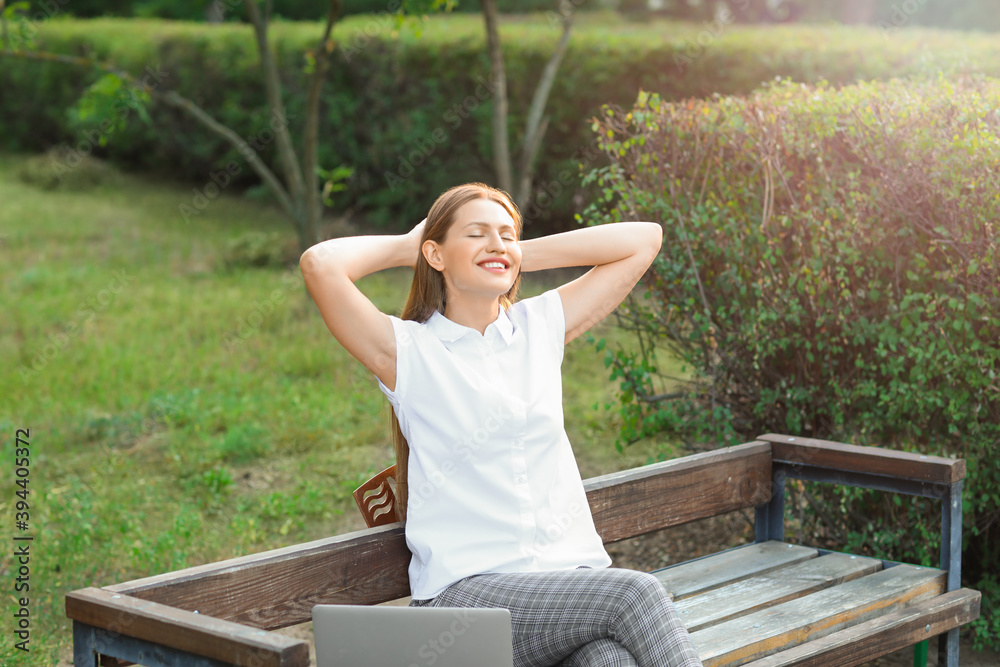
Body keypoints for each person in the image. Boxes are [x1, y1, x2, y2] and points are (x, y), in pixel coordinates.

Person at [300, 183, 701, 667]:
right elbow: (321, 265)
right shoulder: (408, 352)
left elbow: (644, 238)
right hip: (465, 603)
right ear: (435, 253)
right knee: (637, 594)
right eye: (476, 234)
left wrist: (505, 253)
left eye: (506, 233)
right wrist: (413, 248)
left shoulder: (539, 327)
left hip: (563, 589)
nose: (496, 242)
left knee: (608, 661)